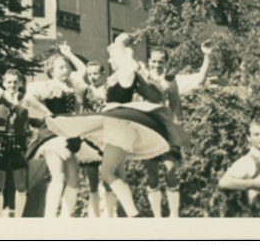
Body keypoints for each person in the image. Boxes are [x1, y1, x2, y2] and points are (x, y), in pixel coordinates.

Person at [44, 34, 190, 217]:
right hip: (116, 127)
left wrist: (120, 42)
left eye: (113, 56)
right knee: (118, 175)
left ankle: (134, 215)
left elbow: (128, 62)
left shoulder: (125, 75)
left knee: (107, 173)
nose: (110, 59)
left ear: (122, 58)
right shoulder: (115, 78)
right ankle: (131, 215)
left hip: (120, 128)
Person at [141, 41, 213, 218]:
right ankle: (157, 217)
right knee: (151, 175)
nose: (157, 65)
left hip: (168, 132)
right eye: (154, 61)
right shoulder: (141, 78)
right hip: (148, 132)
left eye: (160, 62)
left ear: (165, 63)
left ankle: (174, 216)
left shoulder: (172, 80)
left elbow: (200, 79)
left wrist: (207, 56)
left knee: (170, 171)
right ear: (149, 61)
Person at [22, 43, 90, 218]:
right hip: (53, 134)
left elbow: (82, 69)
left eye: (66, 67)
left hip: (70, 134)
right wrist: (48, 113)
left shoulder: (71, 84)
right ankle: (50, 219)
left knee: (74, 181)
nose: (65, 70)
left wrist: (69, 53)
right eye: (61, 68)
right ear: (52, 71)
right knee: (58, 178)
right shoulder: (49, 86)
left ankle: (65, 220)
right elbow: (29, 98)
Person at [0, 63, 29, 218]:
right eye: (9, 82)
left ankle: (18, 219)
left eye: (15, 82)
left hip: (18, 142)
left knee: (21, 185)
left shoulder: (25, 99)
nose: (12, 85)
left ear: (20, 83)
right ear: (4, 83)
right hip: (0, 142)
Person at [79, 61, 110, 218]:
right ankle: (95, 215)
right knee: (92, 181)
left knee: (108, 178)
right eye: (89, 74)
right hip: (90, 138)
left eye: (95, 73)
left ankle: (110, 215)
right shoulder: (85, 91)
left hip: (106, 137)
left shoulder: (109, 90)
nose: (92, 77)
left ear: (103, 74)